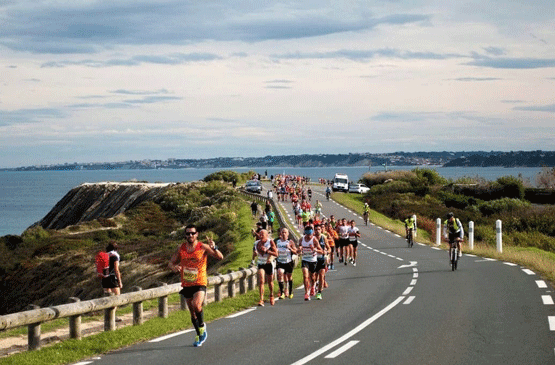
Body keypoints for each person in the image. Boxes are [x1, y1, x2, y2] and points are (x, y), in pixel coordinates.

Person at [168, 225, 223, 347]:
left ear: (197, 234)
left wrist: (215, 247)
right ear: (185, 235)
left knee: (196, 305)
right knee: (192, 313)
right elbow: (170, 263)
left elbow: (220, 257)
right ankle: (199, 334)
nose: (190, 236)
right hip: (187, 283)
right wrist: (174, 267)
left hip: (200, 281)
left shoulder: (202, 246)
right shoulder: (181, 248)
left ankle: (202, 326)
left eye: (192, 233)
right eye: (188, 234)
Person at [298, 224, 323, 301]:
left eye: (310, 234)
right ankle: (306, 293)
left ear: (312, 233)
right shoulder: (301, 239)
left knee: (313, 277)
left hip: (313, 260)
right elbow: (298, 249)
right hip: (305, 259)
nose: (309, 236)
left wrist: (315, 250)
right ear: (305, 233)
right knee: (305, 275)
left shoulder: (314, 240)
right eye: (307, 234)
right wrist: (299, 250)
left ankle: (313, 286)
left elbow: (321, 251)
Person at [255, 230, 278, 306]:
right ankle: (261, 299)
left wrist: (267, 251)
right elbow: (254, 252)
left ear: (267, 235)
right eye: (260, 234)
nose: (261, 236)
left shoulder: (270, 242)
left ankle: (271, 295)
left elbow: (276, 254)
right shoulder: (256, 243)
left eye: (263, 235)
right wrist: (254, 254)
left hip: (268, 263)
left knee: (270, 282)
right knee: (261, 280)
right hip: (261, 263)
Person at [275, 227, 298, 299]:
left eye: (285, 232)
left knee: (289, 277)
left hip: (288, 262)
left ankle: (290, 291)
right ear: (280, 233)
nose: (284, 234)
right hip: (280, 261)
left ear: (288, 234)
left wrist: (290, 248)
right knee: (280, 273)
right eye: (282, 232)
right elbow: (274, 250)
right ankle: (282, 293)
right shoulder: (277, 241)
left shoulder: (290, 242)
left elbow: (296, 252)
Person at [314, 224, 330, 299]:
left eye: (319, 229)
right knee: (313, 277)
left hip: (321, 259)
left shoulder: (323, 238)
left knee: (321, 276)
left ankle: (319, 293)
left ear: (321, 230)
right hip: (313, 260)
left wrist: (327, 252)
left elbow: (329, 248)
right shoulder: (312, 238)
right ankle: (315, 285)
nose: (317, 231)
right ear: (314, 230)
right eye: (316, 230)